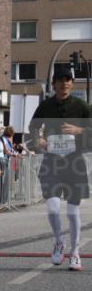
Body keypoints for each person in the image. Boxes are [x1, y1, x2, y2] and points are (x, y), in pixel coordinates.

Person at [28, 68, 91, 271]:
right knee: (53, 208)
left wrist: (80, 130)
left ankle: (75, 252)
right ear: (53, 84)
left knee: (73, 212)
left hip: (74, 163)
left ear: (72, 83)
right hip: (52, 163)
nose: (64, 83)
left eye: (68, 80)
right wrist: (38, 138)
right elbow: (33, 127)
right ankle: (59, 242)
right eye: (60, 80)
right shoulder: (46, 106)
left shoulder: (82, 106)